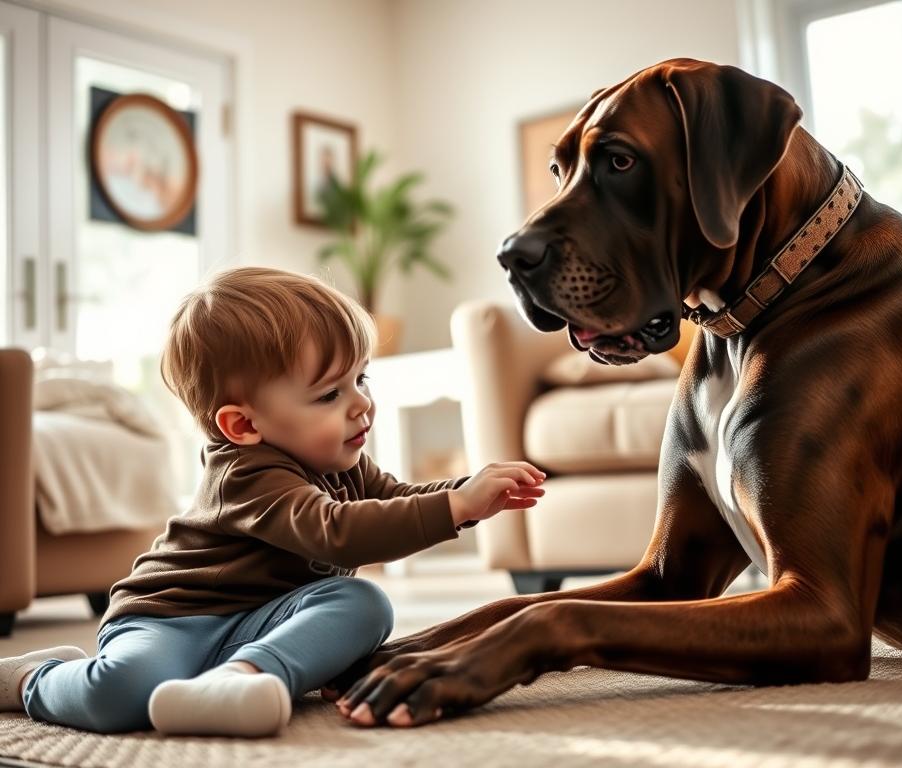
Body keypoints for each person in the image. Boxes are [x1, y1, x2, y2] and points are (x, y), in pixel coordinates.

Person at [0, 266, 545, 737]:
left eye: (361, 378)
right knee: (122, 694)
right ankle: (30, 678)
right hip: (172, 619)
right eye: (330, 394)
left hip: (262, 621)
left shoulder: (341, 462)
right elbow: (337, 531)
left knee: (363, 602)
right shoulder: (244, 474)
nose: (361, 404)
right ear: (243, 426)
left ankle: (242, 678)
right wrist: (457, 506)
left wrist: (464, 493)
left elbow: (395, 500)